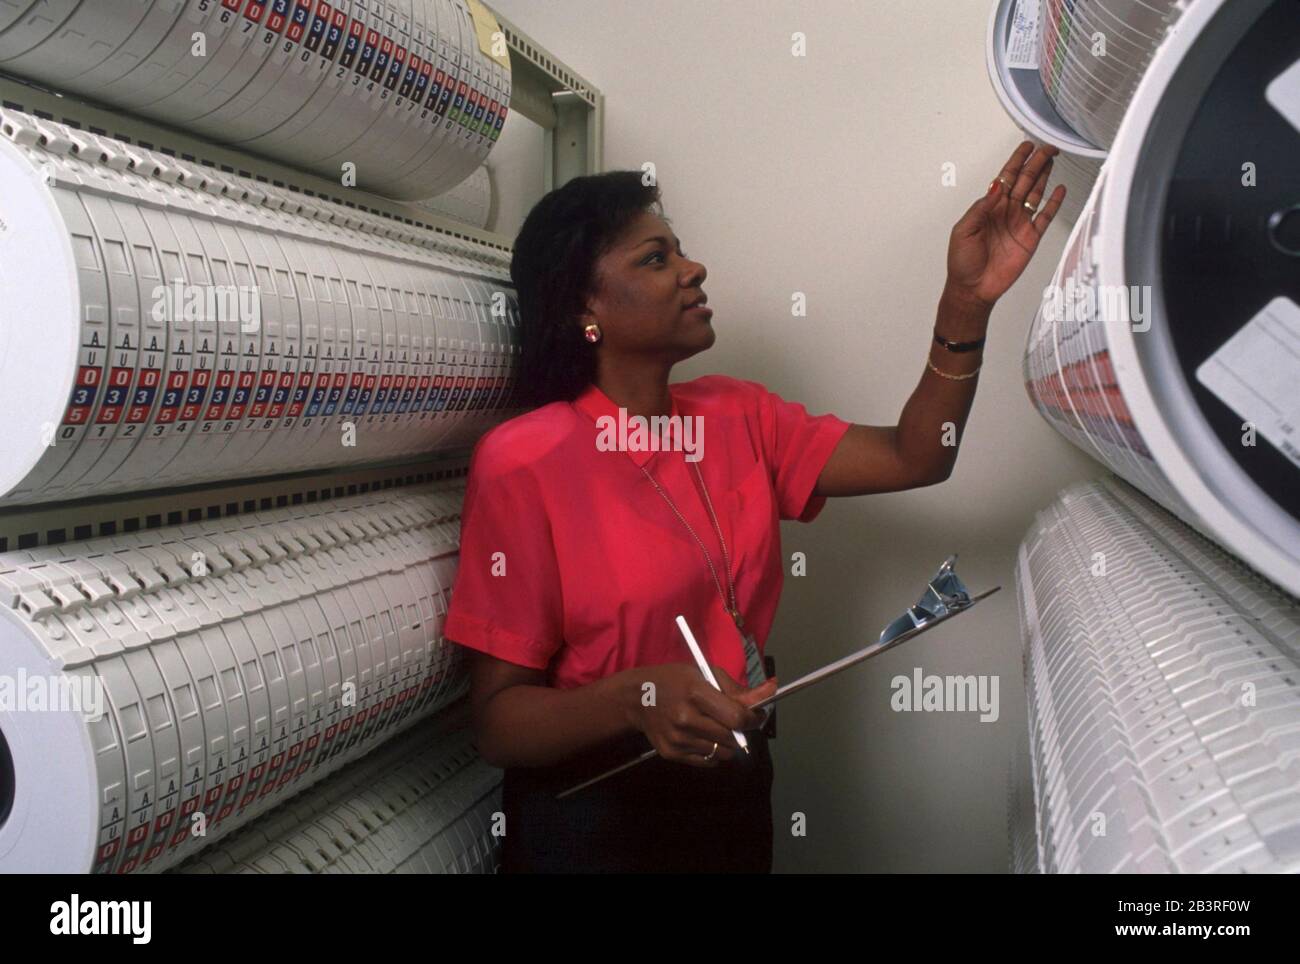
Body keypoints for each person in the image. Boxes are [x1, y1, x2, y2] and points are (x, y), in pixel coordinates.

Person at [443, 143, 1064, 872]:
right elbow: (497, 724)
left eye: (679, 251)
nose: (692, 268)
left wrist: (967, 302)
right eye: (655, 258)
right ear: (586, 306)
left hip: (731, 794)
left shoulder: (737, 413)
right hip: (595, 819)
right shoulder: (524, 460)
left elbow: (919, 455)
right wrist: (635, 696)